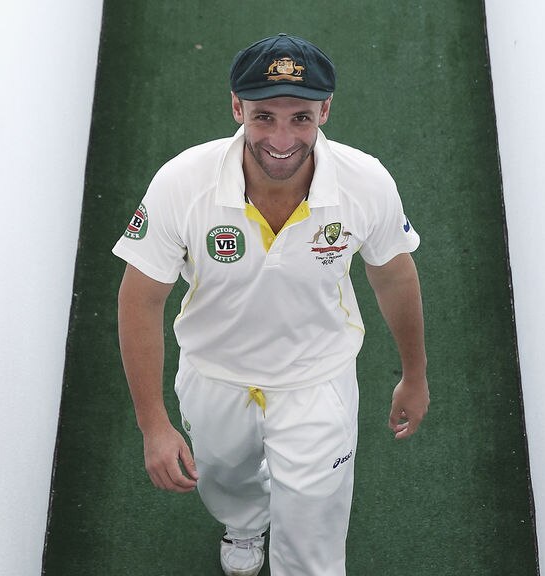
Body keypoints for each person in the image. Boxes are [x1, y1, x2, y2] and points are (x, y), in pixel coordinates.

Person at [113, 33, 429, 576]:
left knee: (313, 532)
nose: (281, 138)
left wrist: (415, 375)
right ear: (237, 108)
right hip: (215, 371)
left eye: (300, 118)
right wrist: (154, 425)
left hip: (317, 377)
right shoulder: (180, 183)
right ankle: (243, 523)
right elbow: (141, 298)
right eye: (264, 117)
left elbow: (395, 277)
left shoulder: (366, 183)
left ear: (325, 110)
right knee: (226, 477)